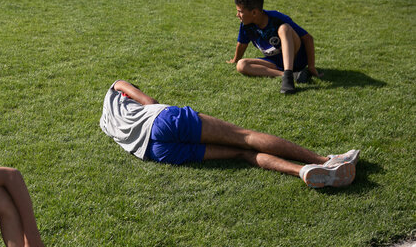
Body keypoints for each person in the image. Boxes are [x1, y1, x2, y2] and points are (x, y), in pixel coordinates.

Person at [101, 80, 359, 188]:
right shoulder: (116, 87)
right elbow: (149, 100)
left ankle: (301, 172)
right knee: (244, 136)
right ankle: (325, 160)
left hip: (154, 151)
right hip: (161, 121)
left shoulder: (106, 122)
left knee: (240, 153)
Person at [226, 0, 322, 94]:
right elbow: (242, 44)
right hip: (275, 62)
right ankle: (289, 75)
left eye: (240, 11)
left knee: (284, 28)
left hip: (296, 59)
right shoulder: (246, 25)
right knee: (241, 65)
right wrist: (235, 60)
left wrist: (312, 66)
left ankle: (288, 78)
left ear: (254, 13)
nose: (237, 15)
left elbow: (308, 38)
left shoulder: (277, 18)